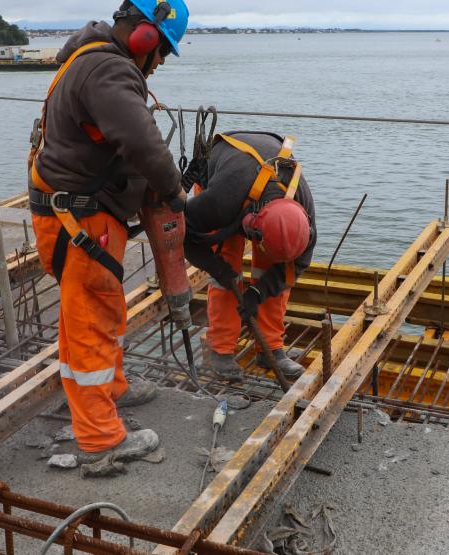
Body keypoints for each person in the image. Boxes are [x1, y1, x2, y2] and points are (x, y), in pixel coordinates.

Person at [27, 0, 189, 465]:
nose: (160, 63)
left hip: (80, 216)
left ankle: (110, 388)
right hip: (80, 220)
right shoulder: (109, 70)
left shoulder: (91, 59)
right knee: (92, 319)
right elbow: (141, 142)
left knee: (97, 311)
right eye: (163, 51)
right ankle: (100, 439)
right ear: (145, 37)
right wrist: (173, 189)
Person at [184, 132, 317, 382]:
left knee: (273, 271)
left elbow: (293, 268)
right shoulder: (219, 201)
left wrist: (258, 293)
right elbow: (184, 234)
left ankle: (270, 349)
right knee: (227, 267)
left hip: (254, 176)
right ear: (252, 226)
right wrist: (219, 269)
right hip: (223, 176)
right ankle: (220, 351)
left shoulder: (304, 215)